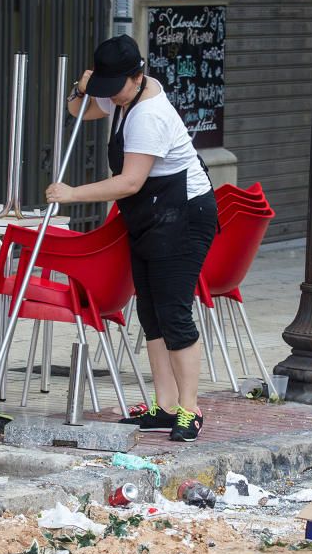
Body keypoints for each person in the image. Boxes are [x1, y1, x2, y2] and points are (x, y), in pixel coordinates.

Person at [45, 35, 217, 442]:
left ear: (137, 77)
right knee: (151, 313)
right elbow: (76, 110)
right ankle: (164, 405)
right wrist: (81, 86)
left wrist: (72, 193)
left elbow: (130, 181)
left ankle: (189, 410)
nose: (109, 98)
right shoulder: (120, 94)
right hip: (152, 214)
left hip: (185, 213)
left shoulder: (148, 114)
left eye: (113, 88)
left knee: (173, 312)